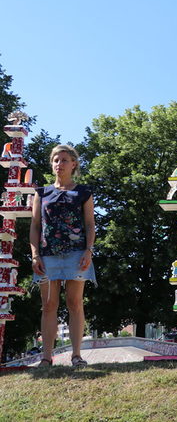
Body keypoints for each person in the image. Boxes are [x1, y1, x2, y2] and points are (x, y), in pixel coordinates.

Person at [29, 145, 96, 367]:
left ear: (73, 164)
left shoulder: (83, 193)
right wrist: (35, 254)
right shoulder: (41, 193)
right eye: (56, 160)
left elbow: (89, 224)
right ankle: (46, 358)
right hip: (47, 255)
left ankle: (76, 355)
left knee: (75, 302)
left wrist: (89, 250)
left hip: (77, 254)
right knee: (49, 304)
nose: (60, 164)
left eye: (64, 160)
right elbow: (36, 225)